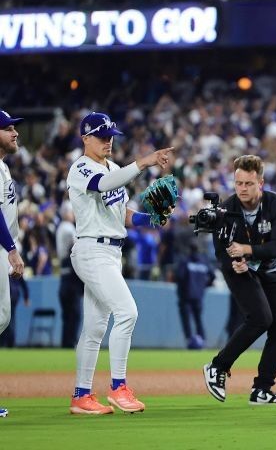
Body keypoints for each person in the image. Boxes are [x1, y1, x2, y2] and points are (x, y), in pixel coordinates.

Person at [67, 112, 175, 415]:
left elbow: (121, 212)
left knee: (94, 328)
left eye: (110, 135)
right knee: (127, 312)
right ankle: (118, 387)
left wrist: (148, 219)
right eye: (101, 136)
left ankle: (81, 396)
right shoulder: (81, 168)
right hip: (91, 250)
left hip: (111, 252)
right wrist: (144, 161)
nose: (108, 140)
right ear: (85, 138)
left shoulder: (113, 166)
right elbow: (102, 185)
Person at [202, 155, 276, 406]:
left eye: (248, 184)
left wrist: (246, 250)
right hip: (239, 270)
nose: (242, 189)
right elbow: (221, 250)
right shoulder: (225, 210)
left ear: (260, 183)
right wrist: (235, 263)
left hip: (272, 269)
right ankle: (218, 366)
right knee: (261, 318)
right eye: (238, 183)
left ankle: (262, 389)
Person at [0, 109, 27, 418]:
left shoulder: (3, 167)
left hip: (3, 247)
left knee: (2, 317)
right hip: (1, 248)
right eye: (7, 128)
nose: (15, 133)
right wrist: (11, 249)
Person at [175, 243, 215, 349]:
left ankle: (189, 341)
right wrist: (204, 285)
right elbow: (212, 276)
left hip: (185, 296)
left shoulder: (185, 261)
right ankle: (202, 340)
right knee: (198, 319)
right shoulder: (204, 261)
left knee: (186, 320)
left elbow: (179, 276)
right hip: (199, 296)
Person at [56, 202, 84, 348]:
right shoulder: (68, 228)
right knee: (74, 313)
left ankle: (65, 342)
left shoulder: (60, 227)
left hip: (64, 275)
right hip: (71, 275)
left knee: (67, 315)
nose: (73, 215)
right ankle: (70, 343)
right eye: (71, 212)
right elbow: (77, 248)